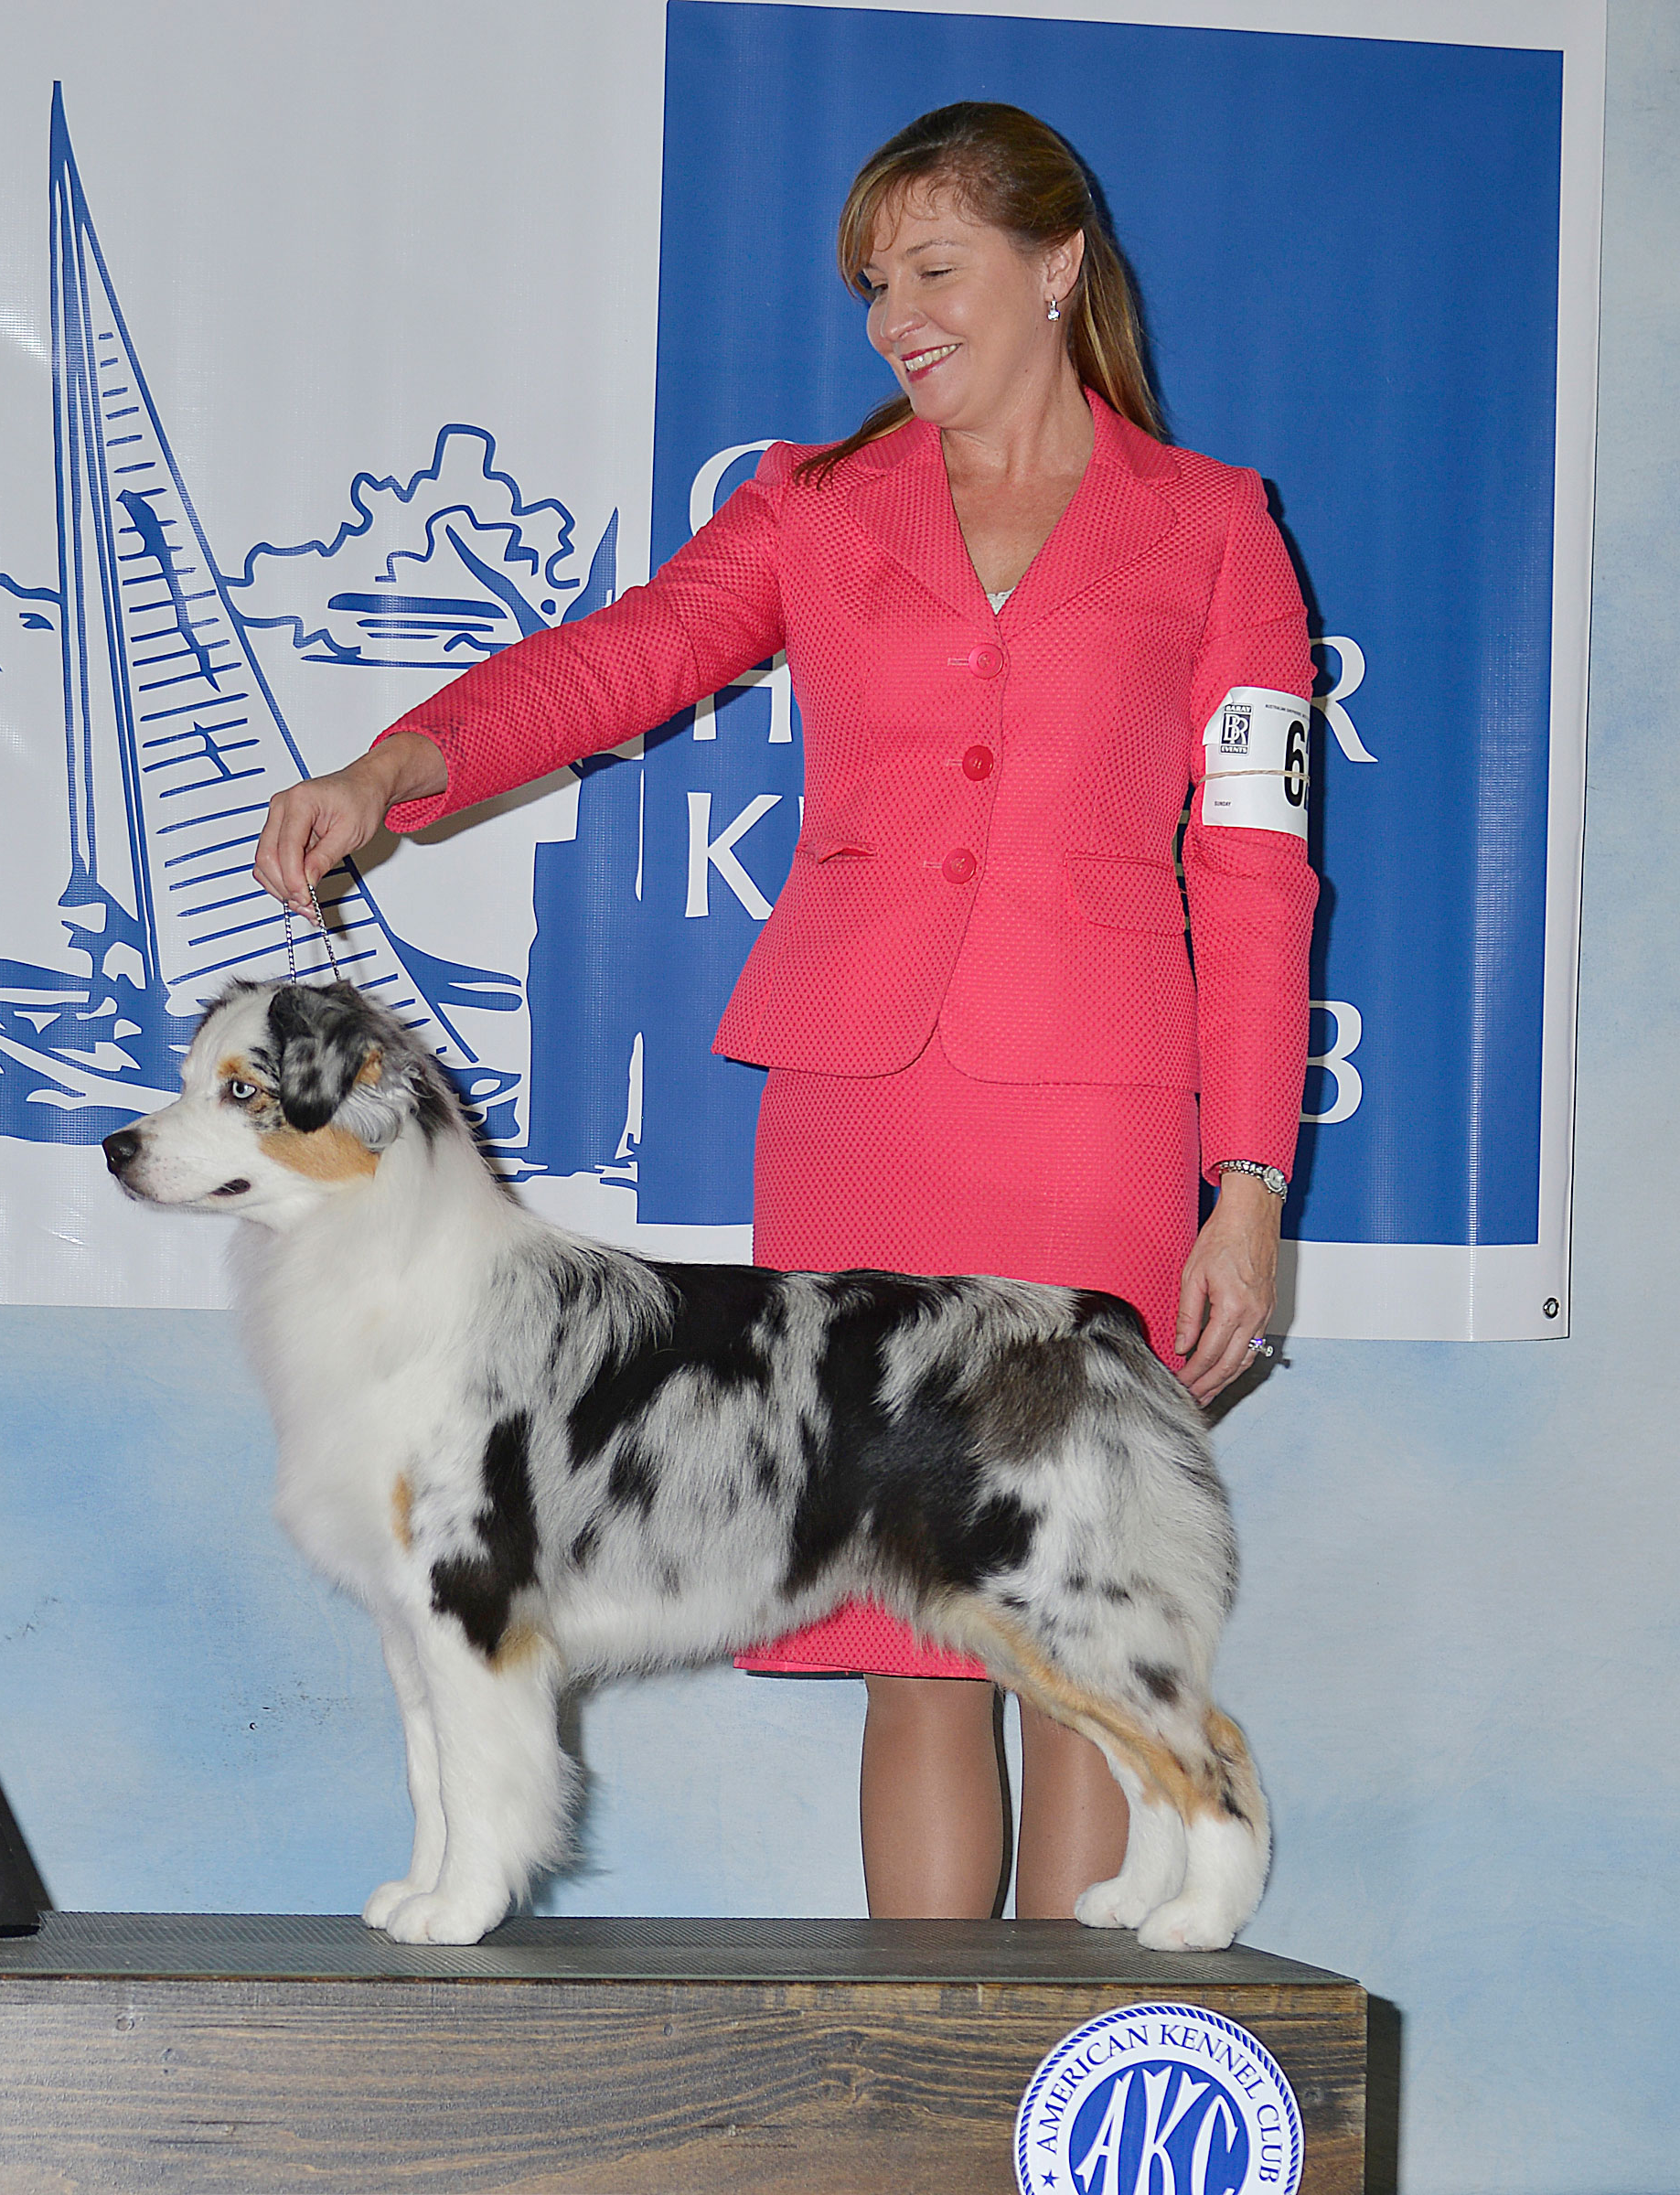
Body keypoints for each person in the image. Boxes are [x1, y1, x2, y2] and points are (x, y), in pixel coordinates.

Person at [252, 104, 1317, 1930]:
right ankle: (927, 2064)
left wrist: (1249, 1183)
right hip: (859, 1111)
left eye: (935, 271)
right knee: (909, 1631)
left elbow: (1256, 866)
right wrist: (398, 766)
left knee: (1071, 1603)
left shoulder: (1214, 527)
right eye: (874, 287)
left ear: (1058, 267)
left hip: (1098, 1118)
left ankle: (1076, 2059)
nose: (898, 320)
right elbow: (627, 656)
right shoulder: (813, 508)